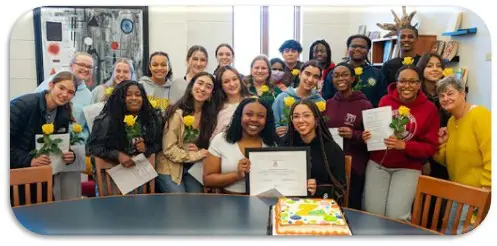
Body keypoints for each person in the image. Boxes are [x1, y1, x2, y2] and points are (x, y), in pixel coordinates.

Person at [362, 65, 439, 220]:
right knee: (372, 213)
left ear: (419, 84)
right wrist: (368, 136)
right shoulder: (385, 100)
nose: (407, 86)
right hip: (378, 164)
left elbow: (430, 148)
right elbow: (378, 132)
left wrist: (404, 145)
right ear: (396, 83)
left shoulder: (430, 109)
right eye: (402, 81)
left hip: (408, 168)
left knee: (397, 216)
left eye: (412, 82)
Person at [433, 76, 491, 234]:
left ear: (462, 94)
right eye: (442, 95)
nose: (445, 98)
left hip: (477, 192)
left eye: (450, 93)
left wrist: (485, 190)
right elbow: (448, 161)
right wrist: (441, 143)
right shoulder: (452, 121)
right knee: (449, 231)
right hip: (458, 191)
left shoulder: (480, 115)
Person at [11, 71, 78, 204]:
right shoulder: (23, 105)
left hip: (42, 180)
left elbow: (60, 144)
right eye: (61, 88)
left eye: (70, 92)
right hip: (14, 180)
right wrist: (29, 160)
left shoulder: (63, 113)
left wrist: (70, 155)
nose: (65, 94)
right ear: (51, 85)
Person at [87, 80, 163, 196]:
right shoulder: (106, 120)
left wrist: (146, 148)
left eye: (138, 95)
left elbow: (158, 144)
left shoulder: (151, 118)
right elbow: (92, 148)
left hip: (139, 174)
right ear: (119, 98)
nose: (134, 98)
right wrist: (117, 155)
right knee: (111, 210)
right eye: (128, 95)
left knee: (139, 210)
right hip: (111, 173)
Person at [156, 72, 219, 193]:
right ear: (191, 87)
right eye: (200, 83)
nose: (202, 88)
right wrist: (196, 155)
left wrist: (199, 149)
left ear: (211, 94)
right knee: (181, 200)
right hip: (170, 167)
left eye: (208, 86)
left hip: (193, 167)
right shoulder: (176, 113)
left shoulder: (210, 116)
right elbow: (169, 149)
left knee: (196, 201)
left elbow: (206, 147)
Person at [203, 98, 279, 194]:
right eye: (249, 114)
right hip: (228, 200)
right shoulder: (221, 140)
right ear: (240, 116)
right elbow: (207, 180)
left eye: (261, 116)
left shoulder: (271, 144)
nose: (254, 119)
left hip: (262, 201)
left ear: (267, 120)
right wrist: (237, 175)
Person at [324, 62, 373, 210]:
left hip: (355, 165)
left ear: (352, 78)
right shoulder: (327, 104)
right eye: (336, 75)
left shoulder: (365, 105)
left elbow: (372, 137)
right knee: (331, 204)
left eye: (344, 74)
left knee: (351, 205)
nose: (340, 78)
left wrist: (354, 134)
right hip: (331, 163)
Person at [282, 100, 345, 202]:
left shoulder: (332, 149)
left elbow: (341, 189)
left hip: (321, 207)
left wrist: (319, 188)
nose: (301, 120)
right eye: (296, 116)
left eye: (306, 115)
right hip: (288, 205)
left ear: (316, 119)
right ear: (292, 121)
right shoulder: (284, 147)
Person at [322, 35, 387, 107]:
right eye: (354, 46)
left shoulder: (377, 74)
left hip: (369, 116)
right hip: (339, 114)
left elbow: (382, 101)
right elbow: (326, 98)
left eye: (362, 47)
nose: (358, 49)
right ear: (347, 48)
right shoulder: (335, 73)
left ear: (368, 50)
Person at [273, 60, 325, 137]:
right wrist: (276, 130)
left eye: (315, 76)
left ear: (319, 80)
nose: (310, 79)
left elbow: (322, 128)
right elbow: (274, 123)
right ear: (300, 74)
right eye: (307, 74)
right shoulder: (282, 98)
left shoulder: (321, 102)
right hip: (288, 145)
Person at [210, 66, 252, 140]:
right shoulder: (216, 107)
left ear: (240, 80)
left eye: (235, 79)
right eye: (226, 81)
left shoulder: (253, 102)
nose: (232, 84)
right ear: (221, 86)